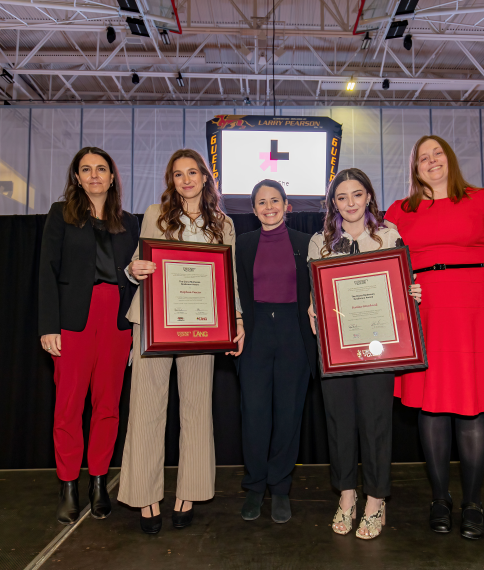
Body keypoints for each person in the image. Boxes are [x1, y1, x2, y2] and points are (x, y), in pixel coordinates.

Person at [384, 135, 484, 540]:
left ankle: (473, 502)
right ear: (415, 168)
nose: (431, 161)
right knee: (432, 407)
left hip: (473, 315)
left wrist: (478, 296)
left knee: (473, 407)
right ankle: (440, 499)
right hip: (425, 314)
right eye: (422, 158)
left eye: (437, 154)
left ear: (449, 159)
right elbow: (386, 264)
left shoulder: (483, 199)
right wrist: (407, 289)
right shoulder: (399, 211)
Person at [117, 149, 245, 534]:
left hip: (202, 327)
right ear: (171, 180)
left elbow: (230, 277)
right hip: (155, 322)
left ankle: (188, 491)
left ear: (206, 178)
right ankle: (145, 496)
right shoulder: (155, 215)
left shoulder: (224, 223)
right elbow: (138, 262)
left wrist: (236, 319)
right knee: (145, 409)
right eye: (178, 174)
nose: (186, 179)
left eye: (193, 172)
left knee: (196, 410)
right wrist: (132, 269)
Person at [307, 168, 421, 540]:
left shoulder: (388, 237)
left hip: (378, 348)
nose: (350, 203)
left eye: (357, 195)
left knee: (375, 423)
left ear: (369, 197)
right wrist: (313, 309)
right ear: (333, 203)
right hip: (336, 348)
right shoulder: (319, 242)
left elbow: (401, 288)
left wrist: (412, 294)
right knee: (338, 423)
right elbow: (316, 294)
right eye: (341, 197)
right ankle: (346, 495)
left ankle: (375, 499)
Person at [38, 147, 140, 525]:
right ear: (77, 177)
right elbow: (46, 272)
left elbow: (134, 274)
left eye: (101, 169)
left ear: (112, 177)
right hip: (72, 321)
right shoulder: (60, 216)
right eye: (86, 169)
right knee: (68, 407)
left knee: (108, 406)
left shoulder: (129, 222)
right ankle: (68, 484)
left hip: (116, 320)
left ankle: (98, 481)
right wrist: (48, 325)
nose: (94, 175)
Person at [234, 180, 315, 524]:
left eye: (275, 200)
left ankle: (280, 488)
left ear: (287, 205)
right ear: (253, 210)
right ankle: (255, 487)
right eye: (261, 202)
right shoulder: (243, 244)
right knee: (254, 415)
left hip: (294, 335)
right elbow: (233, 288)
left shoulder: (305, 242)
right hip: (254, 334)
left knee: (288, 415)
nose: (269, 207)